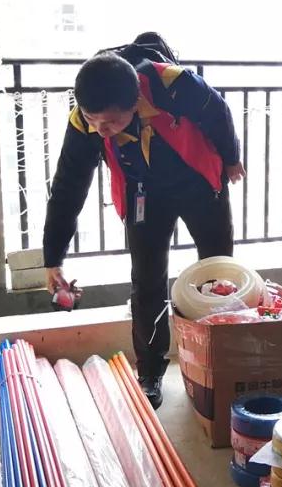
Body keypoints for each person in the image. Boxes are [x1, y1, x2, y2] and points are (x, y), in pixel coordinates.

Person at [43, 34, 245, 410]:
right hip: (143, 194)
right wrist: (53, 257)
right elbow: (68, 186)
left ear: (134, 101)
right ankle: (150, 371)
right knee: (147, 281)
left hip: (200, 183)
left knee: (218, 274)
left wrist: (232, 159)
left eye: (111, 121)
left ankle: (221, 359)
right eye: (92, 119)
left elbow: (218, 113)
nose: (100, 129)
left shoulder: (174, 84)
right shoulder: (84, 121)